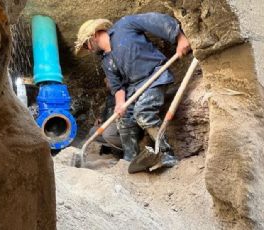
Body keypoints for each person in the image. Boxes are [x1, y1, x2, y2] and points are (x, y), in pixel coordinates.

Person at [74, 12, 191, 167]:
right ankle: (130, 158)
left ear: (93, 35)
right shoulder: (106, 61)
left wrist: (180, 38)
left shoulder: (125, 25)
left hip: (155, 76)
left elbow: (157, 21)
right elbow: (118, 87)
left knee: (143, 112)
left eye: (85, 45)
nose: (87, 50)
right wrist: (120, 104)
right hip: (133, 88)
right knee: (123, 119)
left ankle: (166, 153)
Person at [88, 78, 122, 154]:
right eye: (106, 83)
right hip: (108, 122)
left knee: (107, 134)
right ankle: (109, 147)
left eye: (108, 82)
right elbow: (106, 110)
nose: (107, 85)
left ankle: (126, 146)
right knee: (93, 132)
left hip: (119, 122)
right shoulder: (110, 96)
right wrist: (101, 118)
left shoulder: (123, 93)